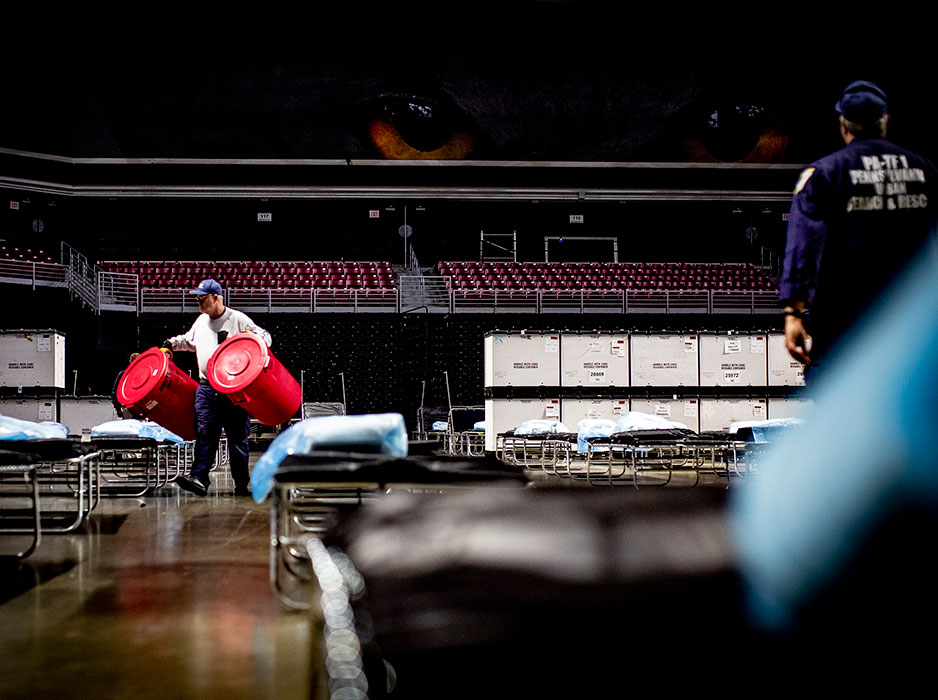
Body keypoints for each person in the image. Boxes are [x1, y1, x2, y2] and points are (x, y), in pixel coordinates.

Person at [779, 80, 938, 382]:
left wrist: (793, 313)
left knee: (841, 395)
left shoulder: (825, 173)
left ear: (843, 123)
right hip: (912, 318)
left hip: (844, 319)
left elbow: (804, 243)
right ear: (886, 120)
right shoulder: (926, 170)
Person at [162, 278, 272, 497]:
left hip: (233, 390)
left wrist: (254, 338)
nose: (198, 303)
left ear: (216, 298)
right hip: (206, 388)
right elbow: (189, 341)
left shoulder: (238, 319)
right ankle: (199, 479)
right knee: (204, 434)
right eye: (197, 299)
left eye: (202, 299)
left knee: (237, 438)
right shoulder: (201, 321)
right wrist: (171, 344)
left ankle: (241, 483)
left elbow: (266, 338)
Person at [111, 352, 139, 418]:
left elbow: (114, 392)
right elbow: (115, 392)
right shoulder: (143, 375)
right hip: (134, 408)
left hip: (130, 407)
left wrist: (117, 408)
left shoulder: (123, 374)